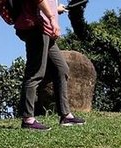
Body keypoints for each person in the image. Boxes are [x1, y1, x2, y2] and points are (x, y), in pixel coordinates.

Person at [14, 0, 86, 130]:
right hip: (36, 27)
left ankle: (65, 115)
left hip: (43, 28)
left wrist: (56, 9)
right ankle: (28, 119)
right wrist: (52, 18)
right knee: (35, 72)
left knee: (61, 68)